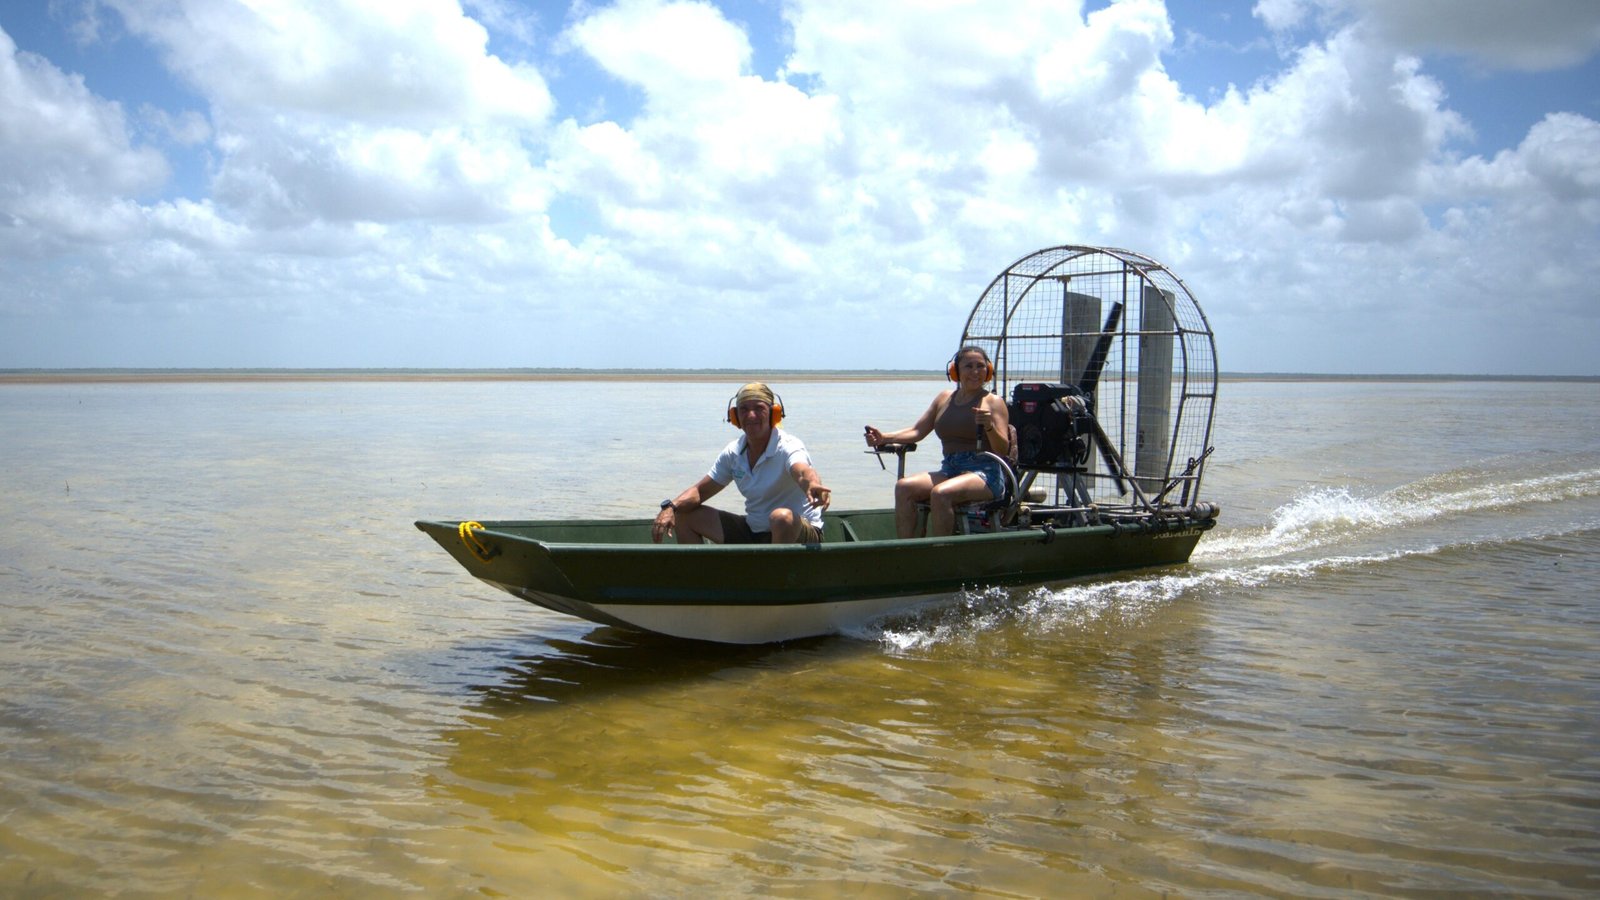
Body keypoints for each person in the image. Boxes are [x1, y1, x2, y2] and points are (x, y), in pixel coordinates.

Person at [652, 382, 832, 544]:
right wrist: (671, 507)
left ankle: (773, 571)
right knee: (684, 514)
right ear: (735, 416)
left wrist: (812, 485)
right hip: (754, 531)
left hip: (798, 531)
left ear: (774, 413)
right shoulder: (734, 452)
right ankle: (700, 571)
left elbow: (802, 471)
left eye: (759, 408)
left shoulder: (788, 446)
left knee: (781, 517)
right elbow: (700, 491)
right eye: (744, 409)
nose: (751, 415)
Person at [864, 345, 1011, 538]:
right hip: (950, 468)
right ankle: (906, 549)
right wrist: (884, 437)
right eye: (969, 366)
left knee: (941, 494)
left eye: (980, 366)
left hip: (984, 473)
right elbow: (917, 431)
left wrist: (989, 426)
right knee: (904, 487)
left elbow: (1003, 449)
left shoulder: (993, 401)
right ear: (955, 371)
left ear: (988, 370)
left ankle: (940, 549)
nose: (975, 372)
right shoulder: (944, 398)